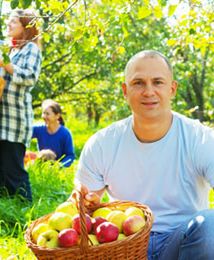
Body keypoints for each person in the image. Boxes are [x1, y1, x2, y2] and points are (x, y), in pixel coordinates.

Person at [70, 50, 214, 259]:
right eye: (138, 83)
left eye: (157, 82)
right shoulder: (102, 143)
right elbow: (82, 209)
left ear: (172, 89)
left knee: (209, 225)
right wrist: (84, 202)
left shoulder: (200, 138)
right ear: (125, 90)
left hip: (183, 244)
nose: (148, 91)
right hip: (124, 245)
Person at [0, 9, 42, 202]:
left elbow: (29, 77)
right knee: (2, 169)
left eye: (14, 21)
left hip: (15, 120)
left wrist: (5, 64)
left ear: (26, 27)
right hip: (3, 118)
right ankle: (8, 209)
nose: (8, 24)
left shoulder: (31, 49)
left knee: (13, 168)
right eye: (8, 21)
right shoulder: (10, 49)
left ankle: (26, 209)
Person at [32, 99, 75, 167]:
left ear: (57, 116)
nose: (44, 116)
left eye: (47, 114)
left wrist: (59, 166)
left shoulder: (65, 133)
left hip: (58, 169)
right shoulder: (39, 129)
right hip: (41, 166)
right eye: (43, 113)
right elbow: (24, 134)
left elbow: (70, 155)